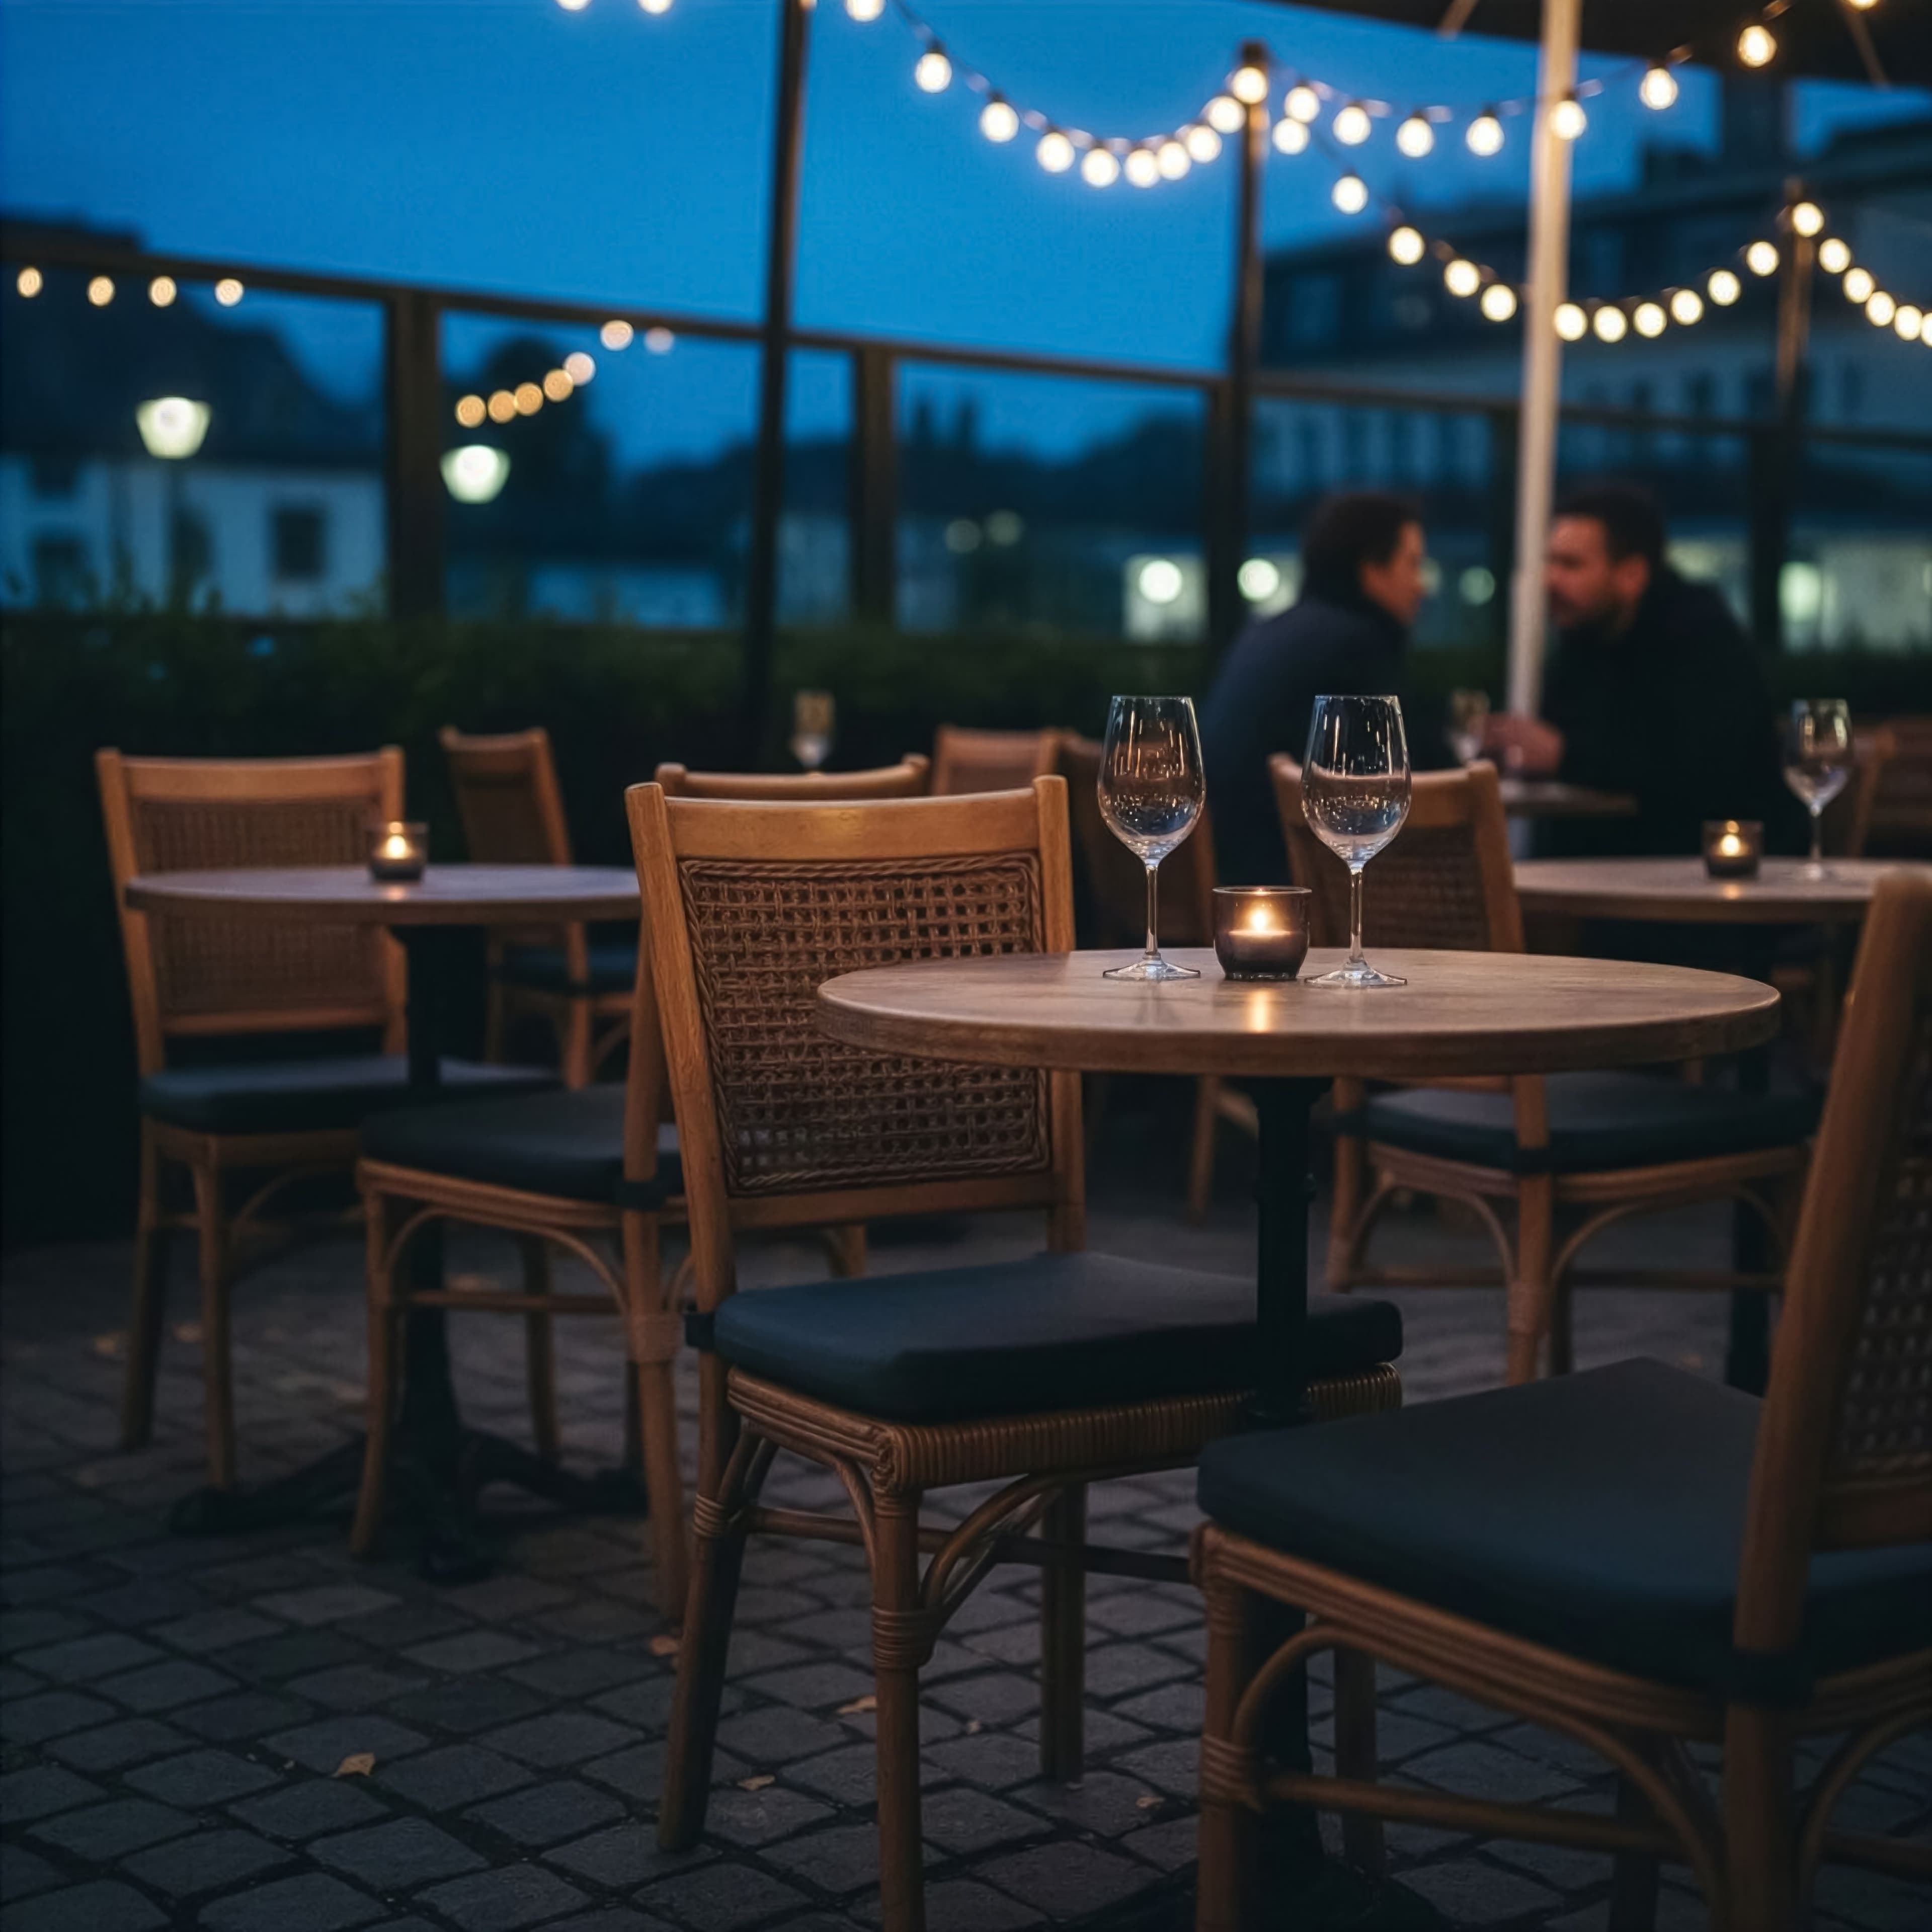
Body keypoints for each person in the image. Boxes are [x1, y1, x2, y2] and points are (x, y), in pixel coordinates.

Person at [1484, 482, 1787, 856]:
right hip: (1607, 869)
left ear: (1631, 576)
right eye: (1550, 562)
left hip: (1704, 872)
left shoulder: (1699, 639)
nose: (1550, 580)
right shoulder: (1585, 638)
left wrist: (1564, 756)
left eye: (1571, 565)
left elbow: (1695, 769)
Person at [1200, 491, 1435, 888]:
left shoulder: (1268, 632)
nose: (1422, 585)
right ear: (1371, 569)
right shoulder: (1357, 645)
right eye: (1412, 564)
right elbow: (1420, 772)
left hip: (1228, 872)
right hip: (1294, 885)